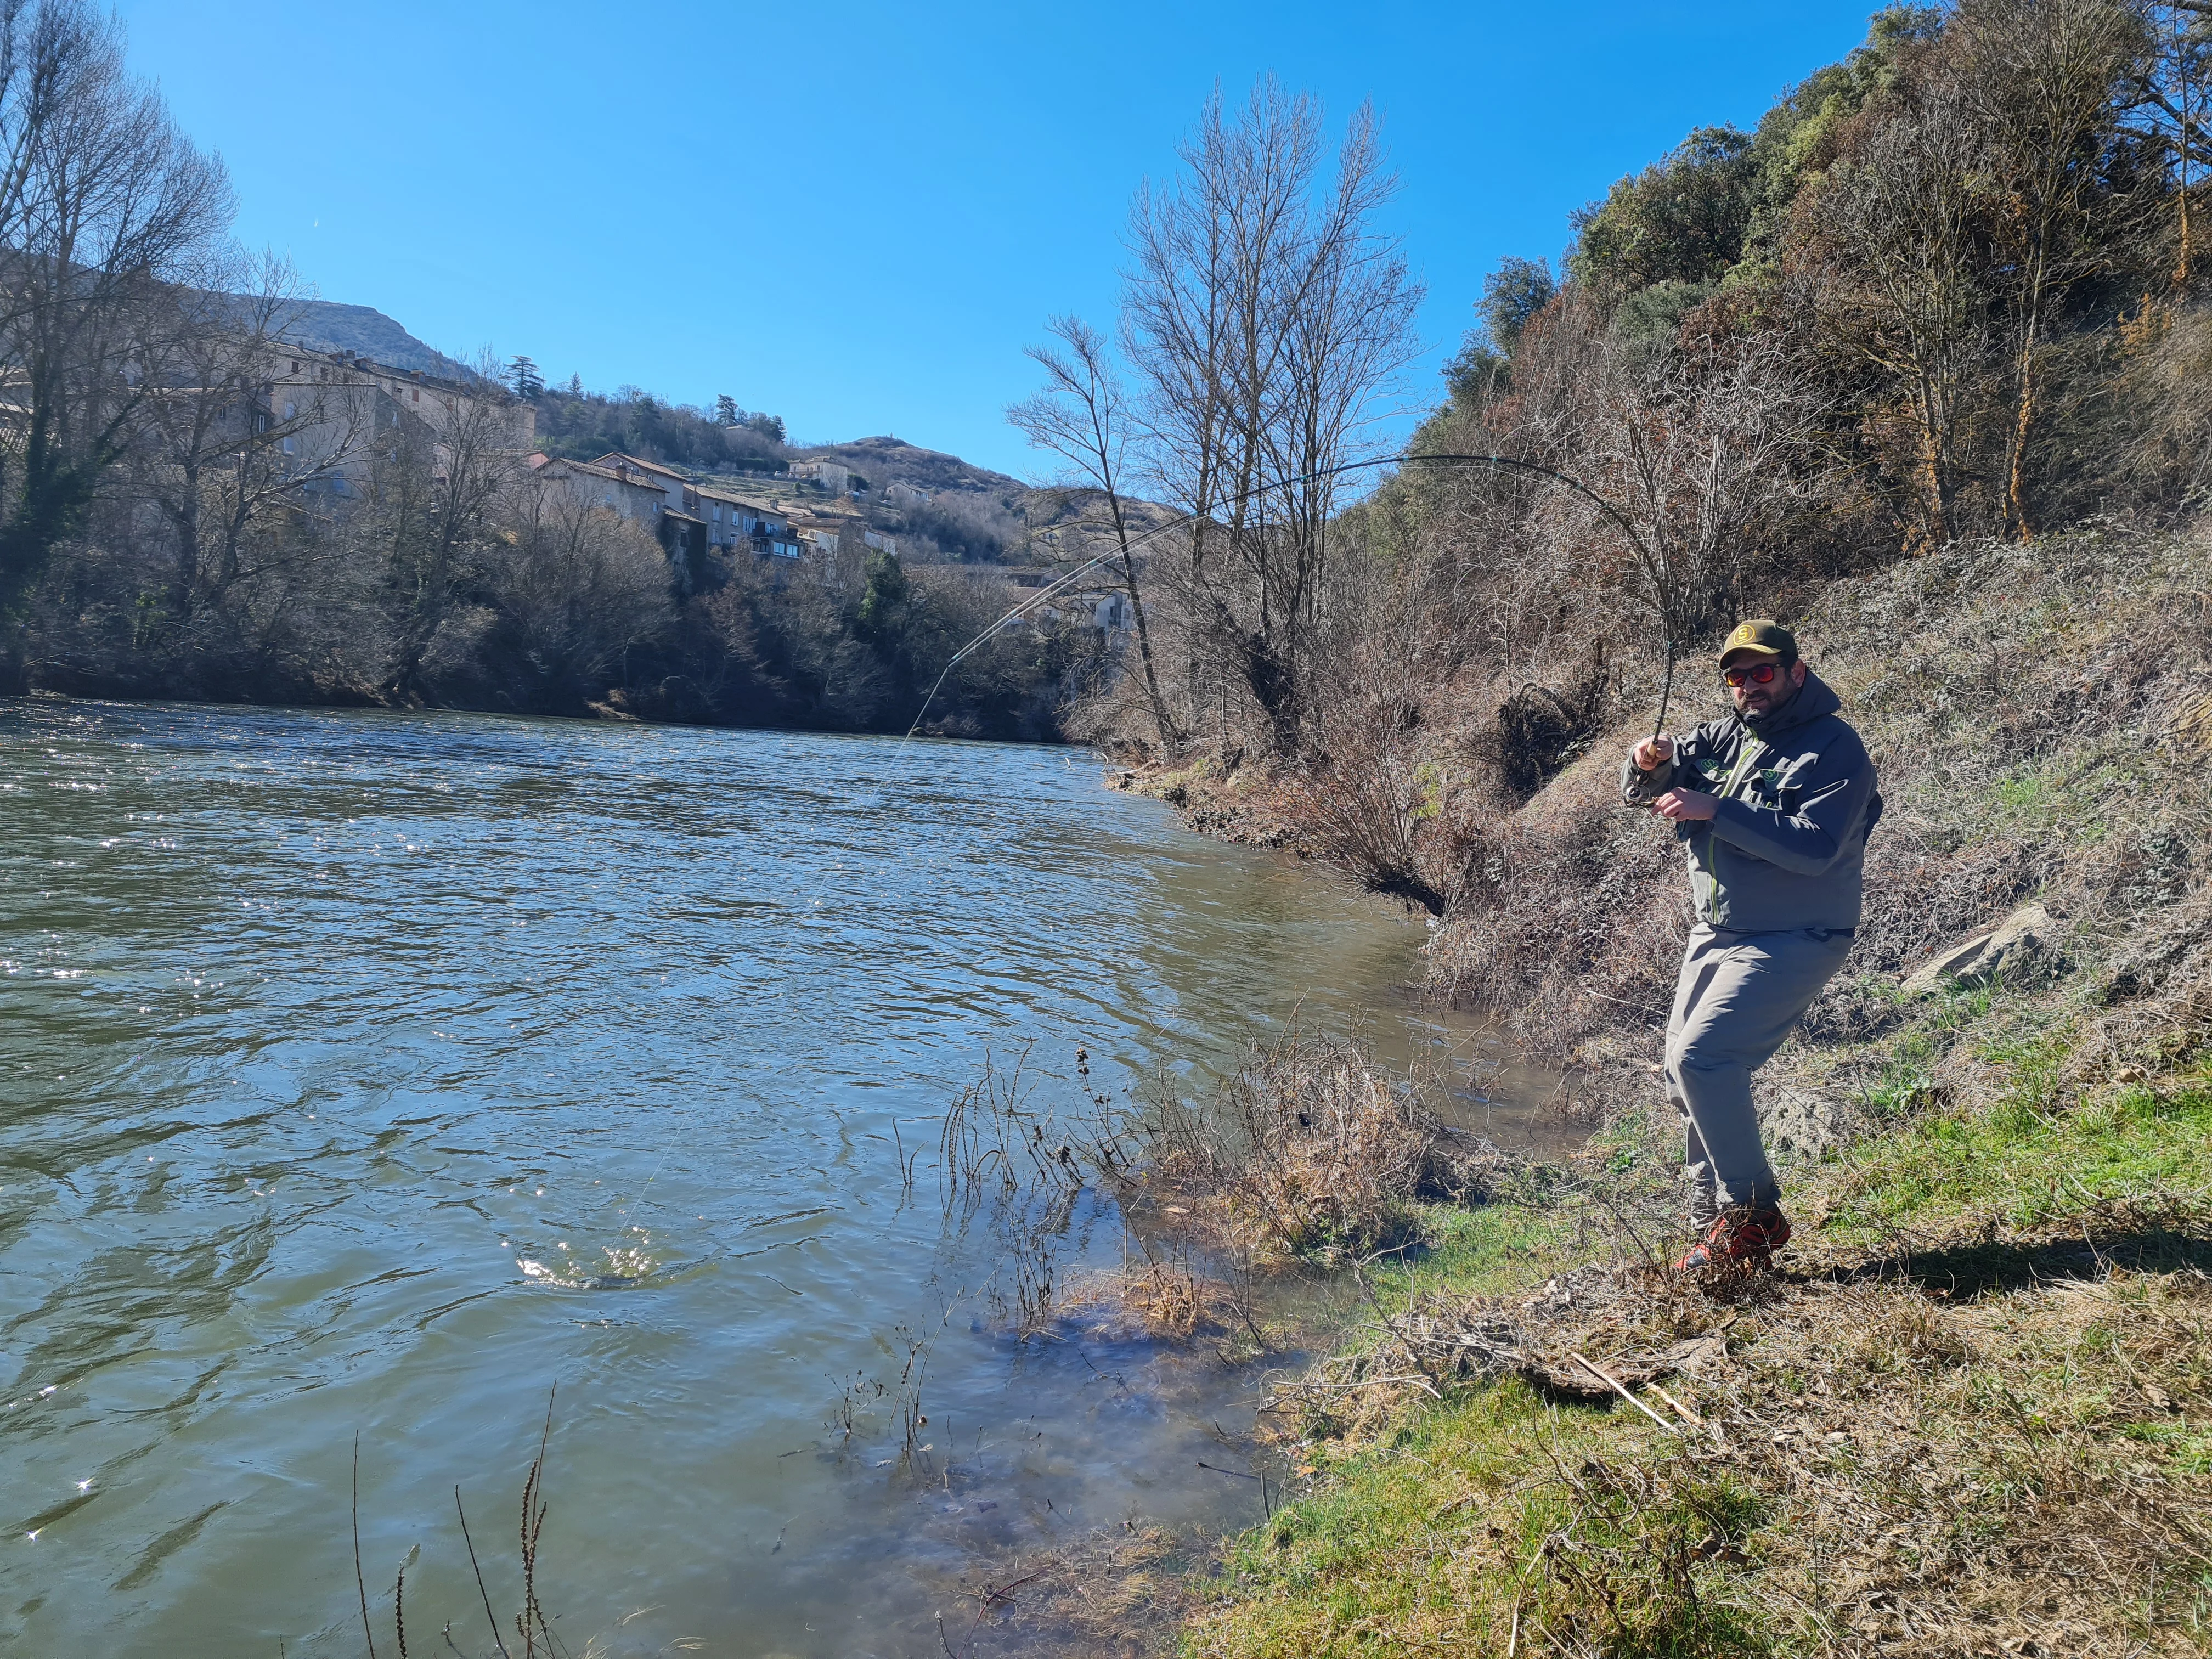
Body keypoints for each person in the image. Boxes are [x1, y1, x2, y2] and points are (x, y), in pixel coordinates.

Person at [1623, 620, 1882, 1270]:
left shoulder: (1835, 747)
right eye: (1736, 676)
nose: (1748, 686)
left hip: (1799, 932)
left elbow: (1816, 848)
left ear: (1797, 671)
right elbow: (1646, 789)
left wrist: (1717, 809)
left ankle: (1752, 1215)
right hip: (1717, 931)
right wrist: (1648, 762)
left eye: (1762, 672)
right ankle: (1715, 1237)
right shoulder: (1722, 737)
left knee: (1706, 1059)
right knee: (1684, 1078)